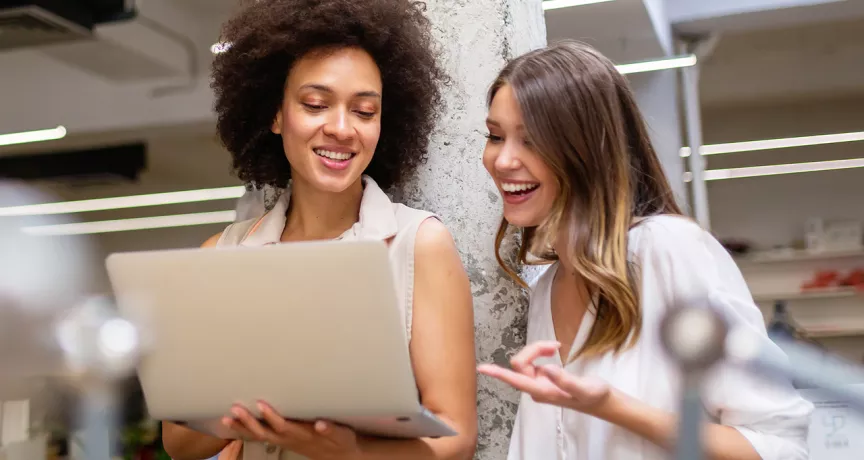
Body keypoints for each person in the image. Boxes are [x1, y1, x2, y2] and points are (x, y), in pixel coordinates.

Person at [160, 1, 478, 459]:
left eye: (365, 112)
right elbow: (179, 442)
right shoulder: (223, 254)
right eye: (315, 104)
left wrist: (347, 451)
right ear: (275, 114)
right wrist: (256, 390)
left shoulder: (418, 244)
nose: (341, 128)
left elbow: (456, 439)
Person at [476, 40, 813, 460]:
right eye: (494, 136)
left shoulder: (669, 250)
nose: (503, 160)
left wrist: (612, 408)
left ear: (588, 149)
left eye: (531, 140)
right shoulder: (547, 288)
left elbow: (779, 447)